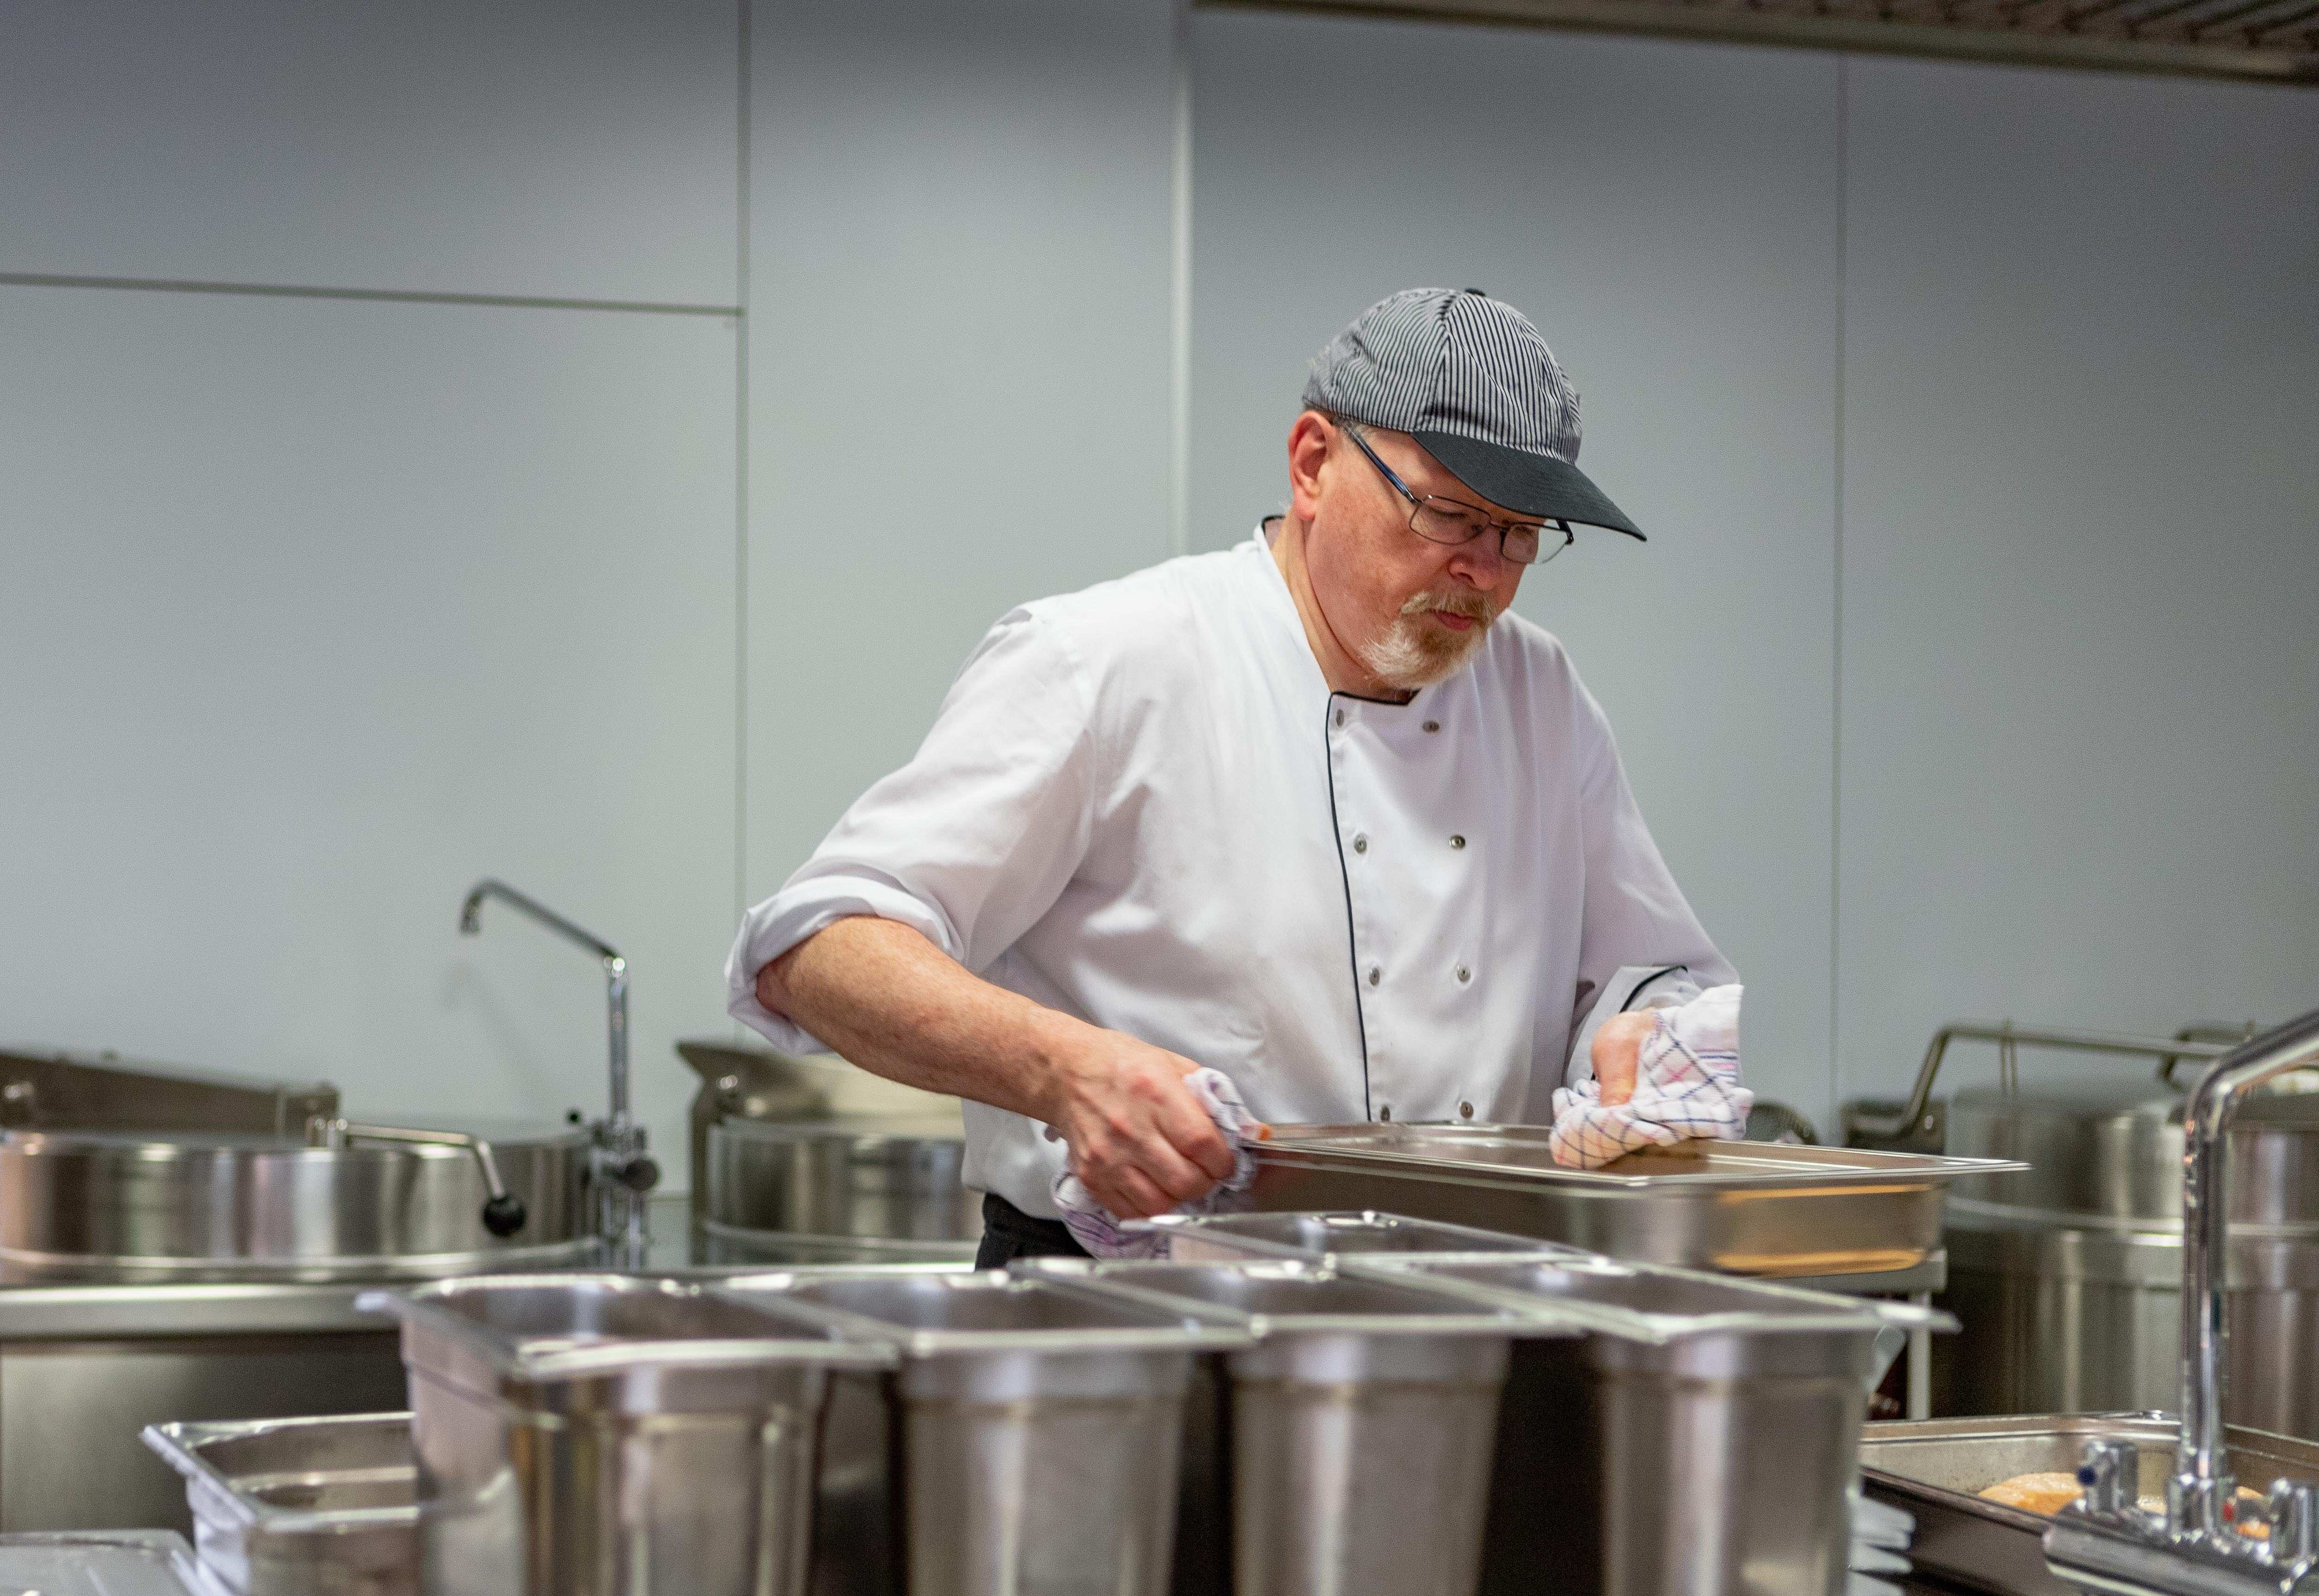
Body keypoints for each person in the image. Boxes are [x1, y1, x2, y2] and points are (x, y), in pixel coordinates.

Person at [724, 288, 1736, 1267]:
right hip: (1131, 1316)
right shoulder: (1112, 660)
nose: (1486, 572)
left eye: (1520, 535)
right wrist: (1066, 1070)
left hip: (1467, 1316)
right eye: (1449, 516)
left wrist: (1648, 1045)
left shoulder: (1540, 694)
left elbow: (1649, 971)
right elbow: (819, 946)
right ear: (1312, 463)